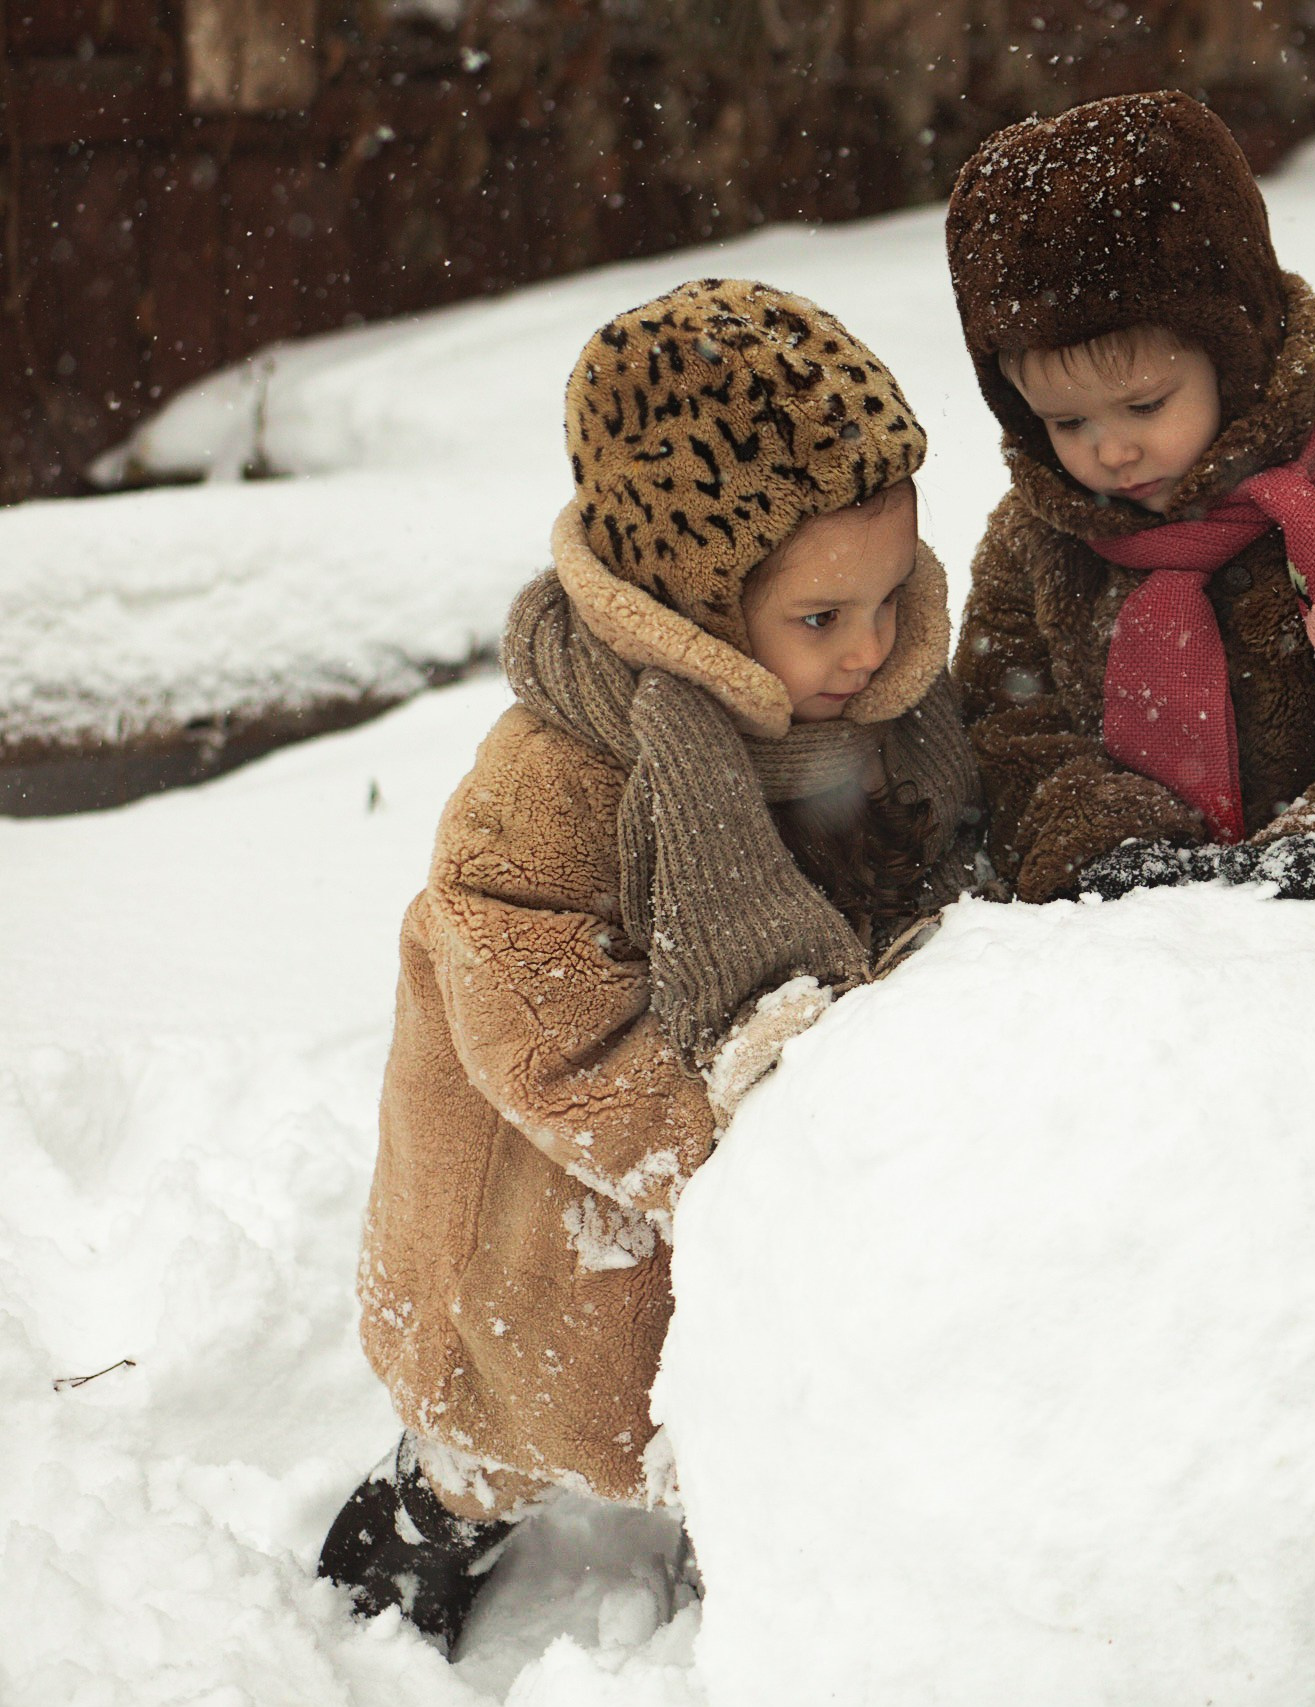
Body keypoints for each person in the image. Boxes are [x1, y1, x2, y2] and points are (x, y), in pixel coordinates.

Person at [317, 279, 980, 1654]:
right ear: (694, 599)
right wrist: (731, 1158)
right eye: (820, 618)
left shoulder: (879, 717)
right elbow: (533, 1015)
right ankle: (433, 1508)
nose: (870, 646)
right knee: (512, 1396)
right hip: (557, 1211)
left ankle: (762, 1530)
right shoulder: (557, 776)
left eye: (890, 593)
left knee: (738, 1400)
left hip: (759, 1171)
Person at [943, 90, 1315, 927]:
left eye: (1145, 405)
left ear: (1234, 353)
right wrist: (1109, 842)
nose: (1111, 450)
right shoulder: (1039, 542)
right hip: (1134, 945)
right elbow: (1012, 732)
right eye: (1068, 423)